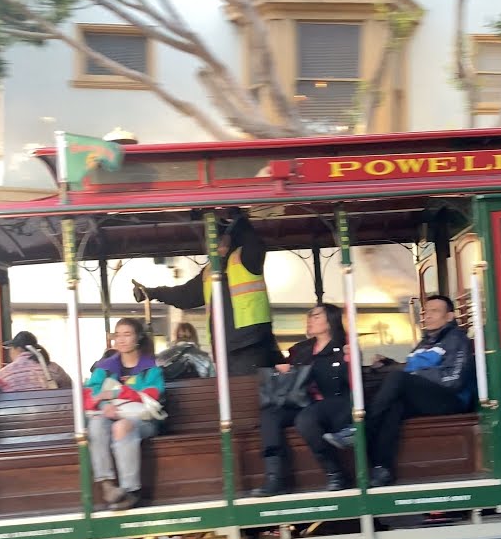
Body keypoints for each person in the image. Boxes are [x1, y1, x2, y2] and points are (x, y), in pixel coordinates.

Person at [327, 295, 474, 487]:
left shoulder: (456, 339)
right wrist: (389, 364)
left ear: (449, 317)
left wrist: (413, 374)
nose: (427, 316)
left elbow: (453, 379)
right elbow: (411, 370)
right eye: (426, 311)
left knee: (397, 380)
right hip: (427, 396)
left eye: (434, 311)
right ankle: (382, 469)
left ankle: (360, 429)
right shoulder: (425, 342)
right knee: (393, 406)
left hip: (451, 399)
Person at [133, 208, 280, 375]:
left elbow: (254, 242)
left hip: (252, 345)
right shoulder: (209, 272)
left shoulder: (245, 258)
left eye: (214, 241)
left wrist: (237, 218)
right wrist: (152, 293)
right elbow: (185, 296)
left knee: (247, 395)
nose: (210, 247)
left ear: (227, 239)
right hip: (224, 348)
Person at [254, 304, 352, 497]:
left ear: (330, 320)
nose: (309, 320)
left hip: (334, 403)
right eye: (309, 316)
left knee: (305, 419)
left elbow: (346, 383)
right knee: (270, 413)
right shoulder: (301, 350)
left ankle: (335, 472)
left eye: (315, 316)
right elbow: (291, 378)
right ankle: (275, 477)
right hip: (304, 402)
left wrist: (350, 358)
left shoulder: (342, 347)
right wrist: (285, 370)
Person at [82, 318, 165, 510]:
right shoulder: (105, 367)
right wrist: (104, 405)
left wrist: (116, 393)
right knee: (96, 424)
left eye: (127, 334)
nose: (121, 340)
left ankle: (131, 491)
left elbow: (152, 394)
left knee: (122, 426)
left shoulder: (151, 367)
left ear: (138, 338)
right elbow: (89, 394)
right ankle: (107, 484)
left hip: (143, 419)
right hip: (110, 415)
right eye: (117, 335)